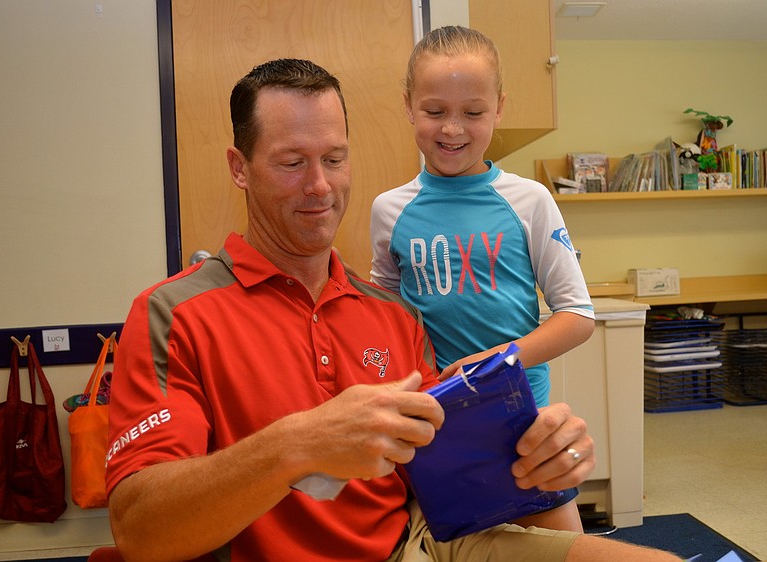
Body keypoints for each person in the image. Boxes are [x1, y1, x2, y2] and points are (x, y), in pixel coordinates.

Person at [105, 58, 678, 562]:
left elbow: (449, 480)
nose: (320, 186)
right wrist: (294, 444)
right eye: (290, 163)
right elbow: (140, 532)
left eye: (334, 158)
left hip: (421, 545)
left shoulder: (393, 315)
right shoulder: (173, 314)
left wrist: (538, 462)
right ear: (239, 168)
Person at [370, 26, 595, 532]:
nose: (453, 129)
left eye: (473, 112)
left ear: (499, 108)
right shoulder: (389, 210)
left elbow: (578, 317)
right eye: (434, 111)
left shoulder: (529, 200)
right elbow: (381, 310)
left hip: (523, 423)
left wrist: (494, 362)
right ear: (408, 106)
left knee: (565, 551)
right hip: (432, 425)